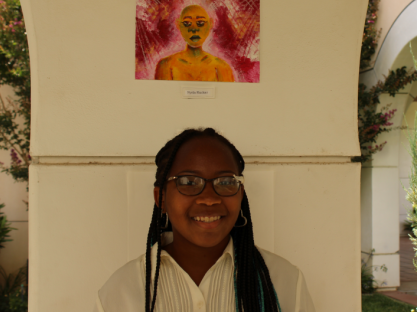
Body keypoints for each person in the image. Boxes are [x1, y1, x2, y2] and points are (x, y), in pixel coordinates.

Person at [94, 128, 315, 312]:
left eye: (226, 181)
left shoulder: (285, 281)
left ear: (240, 193)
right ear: (160, 198)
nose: (209, 199)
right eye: (189, 182)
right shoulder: (121, 290)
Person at [154, 5, 235, 82]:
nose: (194, 29)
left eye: (200, 23)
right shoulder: (166, 65)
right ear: (178, 25)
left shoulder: (222, 67)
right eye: (187, 23)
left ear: (210, 23)